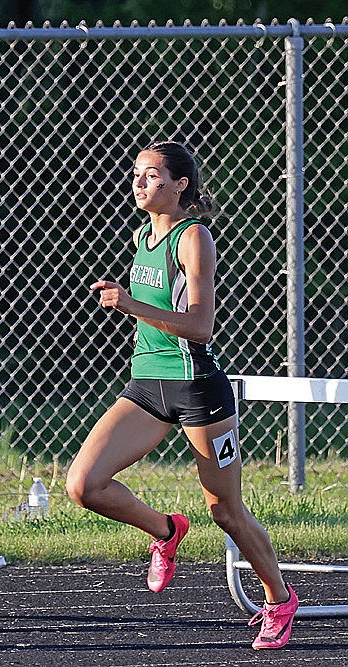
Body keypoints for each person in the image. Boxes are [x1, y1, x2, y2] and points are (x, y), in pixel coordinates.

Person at [66, 141, 299, 650]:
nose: (140, 183)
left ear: (180, 185)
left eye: (152, 176)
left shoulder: (193, 238)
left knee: (226, 510)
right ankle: (166, 531)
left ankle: (279, 599)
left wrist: (127, 305)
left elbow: (200, 326)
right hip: (147, 385)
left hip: (197, 389)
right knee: (84, 484)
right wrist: (133, 309)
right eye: (137, 174)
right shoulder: (141, 235)